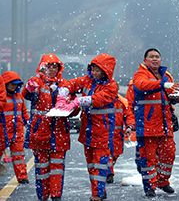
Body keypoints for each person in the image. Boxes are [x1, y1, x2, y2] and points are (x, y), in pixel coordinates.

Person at [126, 48, 179, 197]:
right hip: (147, 126)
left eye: (157, 56)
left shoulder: (166, 76)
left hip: (165, 125)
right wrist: (161, 85)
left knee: (169, 154)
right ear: (145, 60)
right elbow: (141, 86)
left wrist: (176, 97)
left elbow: (169, 95)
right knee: (148, 158)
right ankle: (150, 187)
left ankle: (163, 182)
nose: (155, 59)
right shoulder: (140, 75)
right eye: (151, 57)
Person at [64, 53, 119, 201]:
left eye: (97, 70)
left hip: (103, 130)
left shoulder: (111, 86)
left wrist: (79, 101)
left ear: (105, 70)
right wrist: (65, 89)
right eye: (93, 69)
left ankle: (97, 194)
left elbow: (99, 99)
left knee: (99, 164)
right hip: (88, 130)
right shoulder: (88, 81)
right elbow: (74, 83)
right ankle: (98, 190)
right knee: (91, 164)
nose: (94, 73)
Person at [23, 54, 74, 201]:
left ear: (59, 68)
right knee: (42, 169)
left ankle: (56, 196)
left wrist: (72, 106)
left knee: (57, 169)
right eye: (49, 66)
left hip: (59, 134)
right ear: (43, 67)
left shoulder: (64, 84)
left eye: (55, 66)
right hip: (40, 134)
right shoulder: (36, 82)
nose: (52, 69)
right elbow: (26, 93)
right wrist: (30, 87)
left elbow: (72, 108)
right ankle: (43, 196)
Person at [0, 71, 29, 184]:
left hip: (17, 130)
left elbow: (24, 111)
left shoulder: (19, 96)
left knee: (19, 155)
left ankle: (22, 177)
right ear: (5, 84)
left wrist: (28, 123)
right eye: (12, 84)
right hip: (3, 131)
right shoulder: (2, 97)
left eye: (16, 84)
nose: (14, 86)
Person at [107, 94, 135, 184]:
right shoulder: (102, 101)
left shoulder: (121, 102)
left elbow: (129, 116)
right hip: (104, 134)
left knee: (115, 154)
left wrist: (129, 126)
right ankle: (109, 173)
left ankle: (108, 170)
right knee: (107, 155)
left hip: (117, 135)